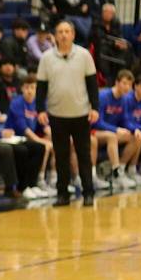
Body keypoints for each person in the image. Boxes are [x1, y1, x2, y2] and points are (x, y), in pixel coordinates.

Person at [36, 20, 99, 206]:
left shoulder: (84, 55)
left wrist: (95, 107)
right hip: (57, 114)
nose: (63, 35)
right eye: (60, 31)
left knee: (84, 155)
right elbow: (41, 86)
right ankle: (62, 193)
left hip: (80, 113)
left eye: (67, 31)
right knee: (61, 155)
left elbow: (92, 84)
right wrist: (40, 109)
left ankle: (88, 192)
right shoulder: (47, 58)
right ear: (55, 35)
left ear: (73, 34)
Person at [95, 69, 141, 187]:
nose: (127, 87)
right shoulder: (103, 96)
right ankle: (116, 175)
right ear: (117, 82)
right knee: (112, 137)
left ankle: (121, 170)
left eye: (130, 85)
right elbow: (97, 122)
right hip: (96, 131)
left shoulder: (124, 99)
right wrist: (116, 130)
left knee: (137, 137)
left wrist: (134, 129)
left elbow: (125, 120)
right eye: (125, 83)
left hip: (111, 132)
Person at [7, 76, 54, 196]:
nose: (29, 90)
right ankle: (38, 181)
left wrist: (53, 134)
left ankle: (50, 180)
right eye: (27, 87)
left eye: (32, 87)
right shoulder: (16, 103)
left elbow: (43, 125)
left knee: (54, 142)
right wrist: (39, 140)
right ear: (22, 89)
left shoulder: (38, 103)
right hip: (15, 138)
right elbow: (24, 128)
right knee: (41, 146)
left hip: (29, 138)